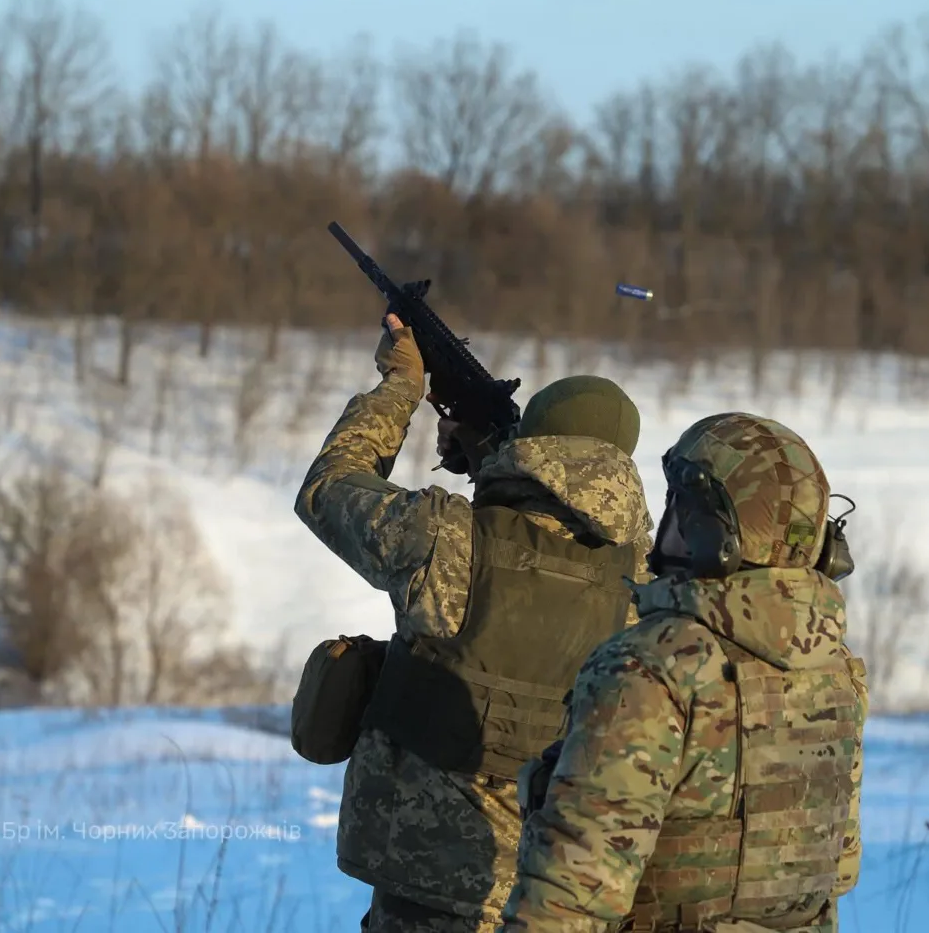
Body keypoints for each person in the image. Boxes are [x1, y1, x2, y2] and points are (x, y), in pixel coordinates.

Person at [294, 313, 654, 932]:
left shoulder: (447, 539)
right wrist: (491, 460)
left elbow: (328, 488)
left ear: (533, 443)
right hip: (562, 894)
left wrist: (400, 388)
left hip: (426, 884)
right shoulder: (648, 580)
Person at [500, 412, 868, 933]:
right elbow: (840, 865)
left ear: (710, 531)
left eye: (677, 505)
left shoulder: (653, 665)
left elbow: (570, 896)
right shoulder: (838, 670)